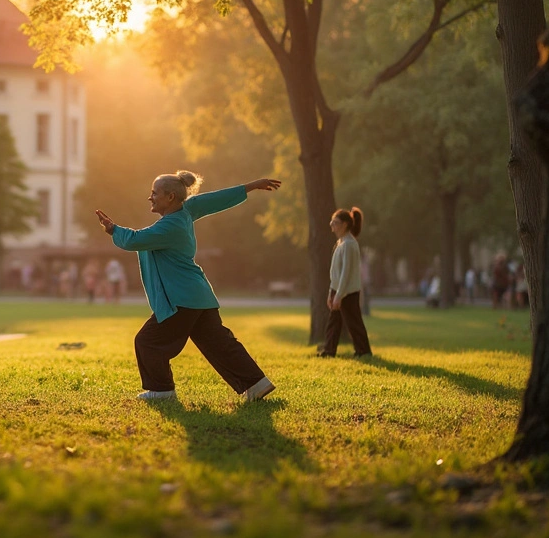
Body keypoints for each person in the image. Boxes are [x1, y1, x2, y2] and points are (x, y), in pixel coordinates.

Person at [95, 171, 281, 403]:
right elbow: (216, 199)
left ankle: (161, 391)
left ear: (170, 197)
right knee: (220, 344)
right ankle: (256, 384)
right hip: (199, 296)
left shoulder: (170, 226)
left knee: (148, 341)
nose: (150, 197)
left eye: (154, 193)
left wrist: (113, 229)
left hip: (182, 299)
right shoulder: (187, 210)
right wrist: (252, 185)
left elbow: (135, 240)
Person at [318, 207, 373, 358]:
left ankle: (363, 351)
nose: (332, 226)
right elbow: (336, 273)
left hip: (348, 291)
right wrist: (332, 292)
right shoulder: (341, 243)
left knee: (354, 322)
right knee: (334, 323)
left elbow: (346, 273)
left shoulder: (349, 244)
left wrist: (339, 295)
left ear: (345, 224)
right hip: (339, 290)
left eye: (335, 223)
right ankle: (329, 351)